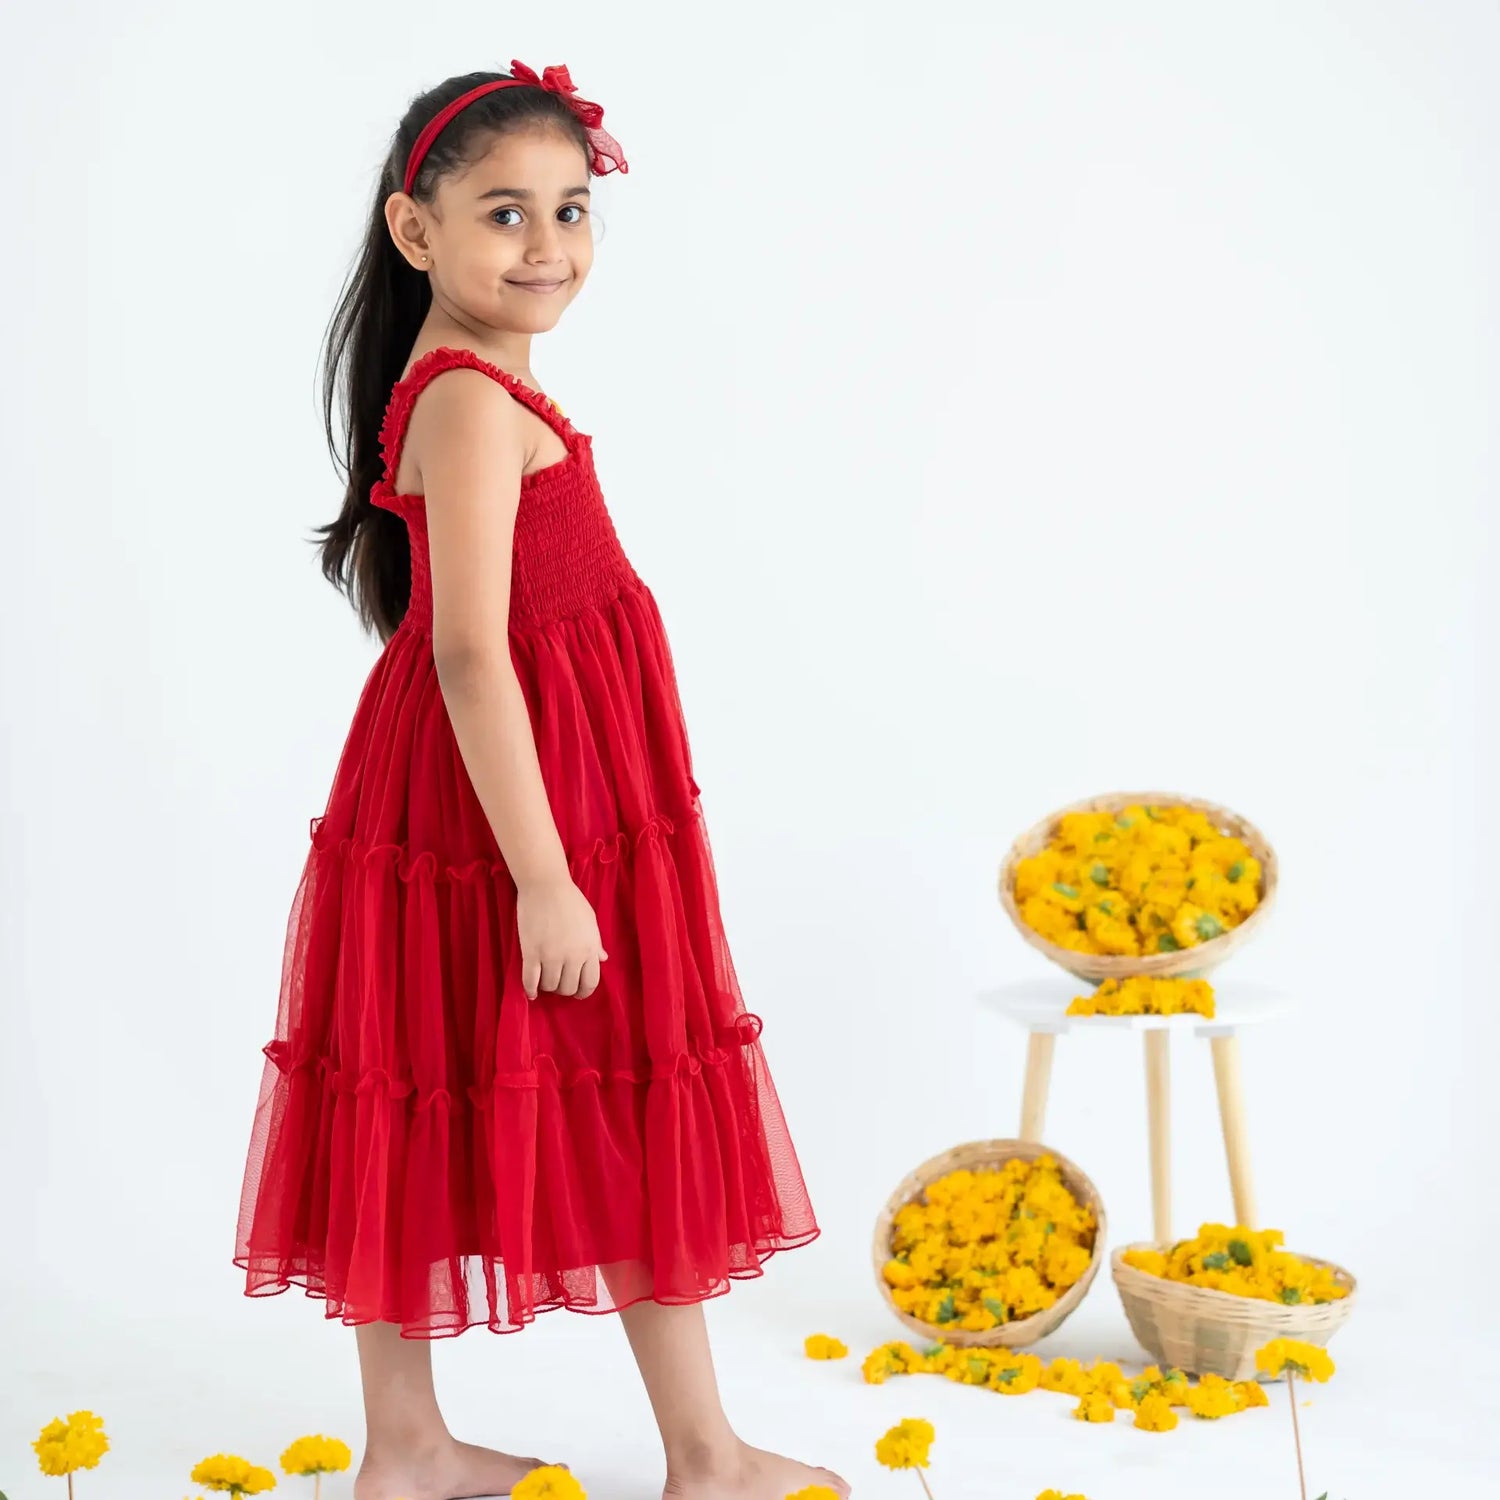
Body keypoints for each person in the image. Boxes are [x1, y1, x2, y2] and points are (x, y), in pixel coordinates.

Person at [232, 61, 848, 1500]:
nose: (549, 244)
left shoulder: (490, 383)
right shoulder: (462, 398)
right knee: (587, 1088)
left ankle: (431, 1447)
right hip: (507, 808)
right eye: (505, 212)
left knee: (477, 1081)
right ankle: (690, 1458)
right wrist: (548, 874)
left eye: (572, 209)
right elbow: (465, 652)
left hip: (530, 788)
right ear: (416, 231)